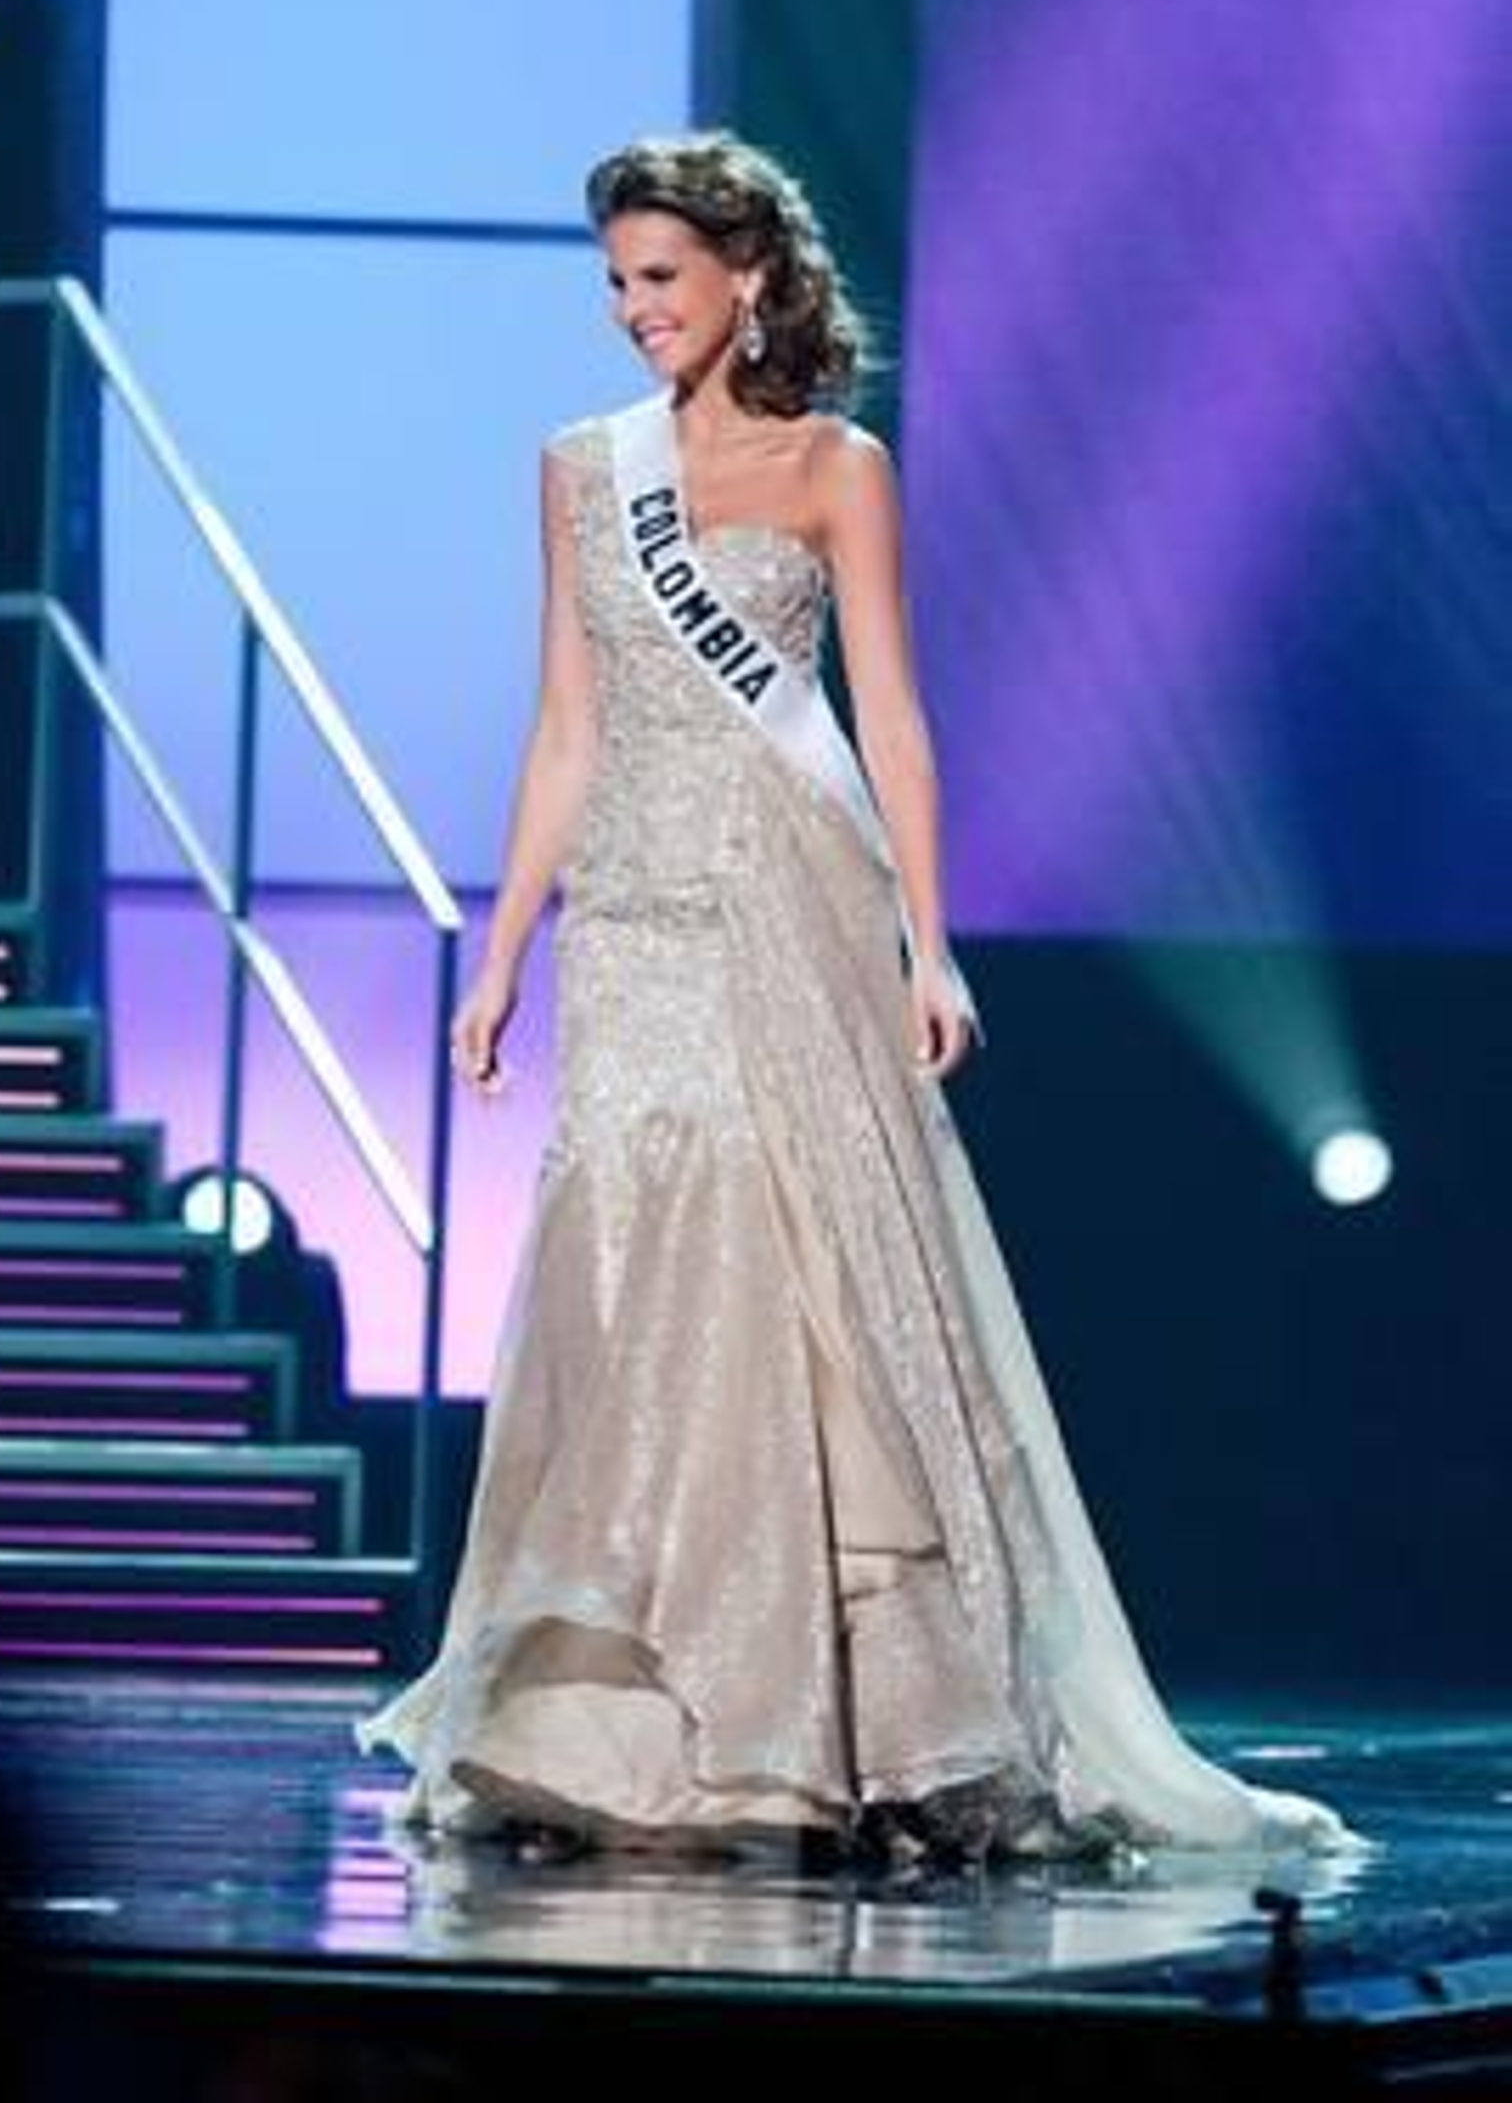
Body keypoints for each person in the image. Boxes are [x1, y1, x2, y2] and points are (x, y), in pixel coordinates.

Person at [358, 128, 1358, 1869]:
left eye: (661, 277)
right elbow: (566, 727)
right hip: (640, 922)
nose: (634, 313)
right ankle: (628, 1716)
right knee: (636, 1264)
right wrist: (504, 942)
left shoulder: (839, 467)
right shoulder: (581, 473)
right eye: (616, 283)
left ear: (748, 277)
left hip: (793, 905)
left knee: (805, 1262)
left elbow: (886, 714)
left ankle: (836, 1713)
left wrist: (931, 936)